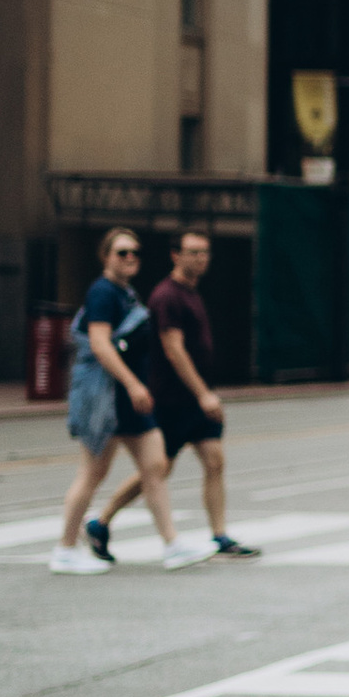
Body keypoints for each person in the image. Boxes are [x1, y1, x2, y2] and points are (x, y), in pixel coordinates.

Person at [95, 226, 256, 562]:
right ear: (176, 255)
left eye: (204, 252)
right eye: (192, 252)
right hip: (174, 398)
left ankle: (220, 536)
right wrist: (203, 394)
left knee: (214, 461)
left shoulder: (192, 293)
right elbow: (173, 349)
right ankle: (101, 520)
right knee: (157, 470)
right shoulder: (167, 295)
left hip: (196, 399)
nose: (199, 259)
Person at [53, 227, 188, 573]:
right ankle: (65, 549)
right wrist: (132, 384)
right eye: (122, 252)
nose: (130, 258)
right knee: (94, 471)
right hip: (108, 397)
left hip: (128, 399)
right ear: (105, 257)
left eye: (135, 253)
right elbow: (100, 344)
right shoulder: (103, 293)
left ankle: (173, 545)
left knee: (155, 466)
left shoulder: (124, 293)